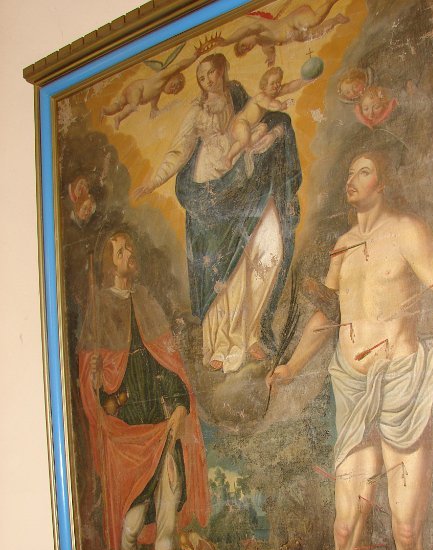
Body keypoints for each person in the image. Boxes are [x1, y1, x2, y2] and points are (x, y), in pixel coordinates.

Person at [268, 152, 433, 550]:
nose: (352, 180)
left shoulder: (406, 231)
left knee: (404, 528)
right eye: (350, 172)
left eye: (363, 171)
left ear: (383, 180)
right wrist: (291, 367)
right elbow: (328, 316)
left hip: (401, 383)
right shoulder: (342, 246)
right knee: (344, 526)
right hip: (351, 386)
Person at [78, 229, 209, 550]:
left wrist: (179, 405)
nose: (129, 253)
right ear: (109, 262)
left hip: (162, 433)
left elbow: (169, 368)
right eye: (120, 250)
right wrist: (98, 386)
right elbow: (96, 390)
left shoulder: (149, 304)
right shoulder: (99, 310)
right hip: (127, 441)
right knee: (130, 530)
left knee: (168, 526)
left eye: (130, 247)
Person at [134, 54, 302, 373]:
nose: (207, 80)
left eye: (211, 73)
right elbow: (179, 150)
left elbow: (267, 115)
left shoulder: (238, 96)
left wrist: (271, 133)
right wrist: (154, 181)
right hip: (209, 194)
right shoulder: (197, 111)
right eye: (201, 77)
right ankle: (223, 342)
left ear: (222, 70)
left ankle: (251, 331)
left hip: (243, 180)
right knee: (224, 266)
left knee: (268, 250)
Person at [221, 66, 311, 174]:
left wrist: (304, 81)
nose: (276, 86)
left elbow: (289, 87)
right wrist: (282, 105)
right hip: (241, 123)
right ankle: (229, 157)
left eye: (278, 82)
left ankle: (248, 148)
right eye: (272, 83)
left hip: (252, 126)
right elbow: (270, 105)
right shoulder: (261, 96)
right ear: (265, 85)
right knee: (244, 139)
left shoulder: (273, 92)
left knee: (263, 129)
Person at [101, 43, 200, 129]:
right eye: (175, 85)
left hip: (133, 90)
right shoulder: (162, 76)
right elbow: (179, 66)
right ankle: (118, 118)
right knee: (133, 105)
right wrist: (194, 58)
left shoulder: (158, 90)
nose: (173, 89)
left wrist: (154, 108)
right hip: (137, 89)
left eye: (175, 91)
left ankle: (105, 110)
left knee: (119, 105)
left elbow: (154, 99)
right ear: (172, 75)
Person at [219, 1, 349, 66]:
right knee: (317, 33)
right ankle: (337, 19)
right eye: (246, 51)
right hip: (297, 34)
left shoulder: (259, 28)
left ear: (242, 38)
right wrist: (271, 58)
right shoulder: (264, 44)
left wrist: (227, 41)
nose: (247, 48)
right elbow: (270, 51)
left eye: (243, 45)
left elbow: (246, 30)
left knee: (315, 20)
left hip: (295, 21)